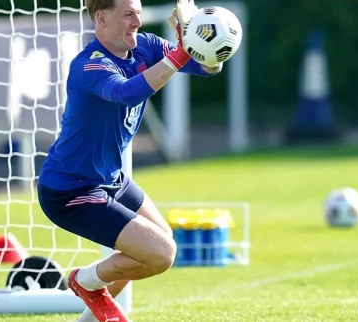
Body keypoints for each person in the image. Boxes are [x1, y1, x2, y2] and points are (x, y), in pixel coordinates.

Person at [37, 0, 223, 320]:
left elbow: (206, 67)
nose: (137, 21)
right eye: (128, 14)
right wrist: (181, 51)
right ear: (101, 18)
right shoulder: (89, 65)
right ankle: (85, 281)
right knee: (160, 254)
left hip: (113, 180)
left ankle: (89, 305)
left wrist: (198, 38)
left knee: (158, 247)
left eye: (138, 12)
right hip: (71, 190)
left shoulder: (146, 46)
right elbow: (126, 93)